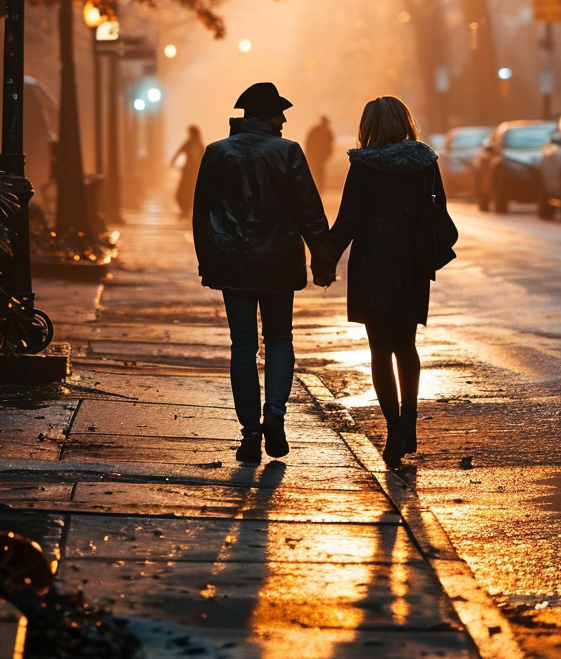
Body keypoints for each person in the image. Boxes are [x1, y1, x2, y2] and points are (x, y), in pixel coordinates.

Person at [192, 82, 331, 464]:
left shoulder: (216, 153)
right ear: (263, 115)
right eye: (278, 112)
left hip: (231, 261)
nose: (284, 119)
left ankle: (250, 434)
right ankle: (275, 412)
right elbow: (309, 211)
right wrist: (323, 258)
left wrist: (209, 260)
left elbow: (202, 213)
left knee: (242, 347)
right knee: (280, 338)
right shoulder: (288, 153)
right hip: (278, 262)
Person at [318, 95, 453, 469]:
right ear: (404, 122)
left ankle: (394, 430)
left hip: (372, 266)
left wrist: (324, 258)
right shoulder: (425, 163)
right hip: (411, 265)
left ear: (369, 127)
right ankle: (409, 423)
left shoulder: (363, 167)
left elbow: (347, 220)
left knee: (380, 350)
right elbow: (439, 209)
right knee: (406, 346)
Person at [171, 125, 204, 218]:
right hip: (189, 172)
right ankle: (185, 209)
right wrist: (173, 162)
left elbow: (203, 159)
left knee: (190, 191)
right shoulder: (189, 144)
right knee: (183, 191)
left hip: (194, 173)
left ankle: (187, 210)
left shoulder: (198, 146)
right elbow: (178, 152)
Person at [305, 115, 335, 193]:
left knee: (315, 172)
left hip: (316, 156)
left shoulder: (315, 130)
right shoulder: (326, 131)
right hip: (319, 156)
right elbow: (330, 144)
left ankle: (317, 189)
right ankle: (319, 188)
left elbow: (308, 143)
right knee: (319, 172)